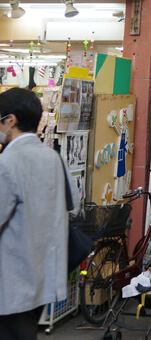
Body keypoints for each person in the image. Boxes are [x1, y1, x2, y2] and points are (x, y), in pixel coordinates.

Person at [0, 88, 73, 340]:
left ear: (10, 120)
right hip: (44, 275)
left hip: (11, 279)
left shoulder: (7, 163)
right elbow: (69, 204)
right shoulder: (54, 157)